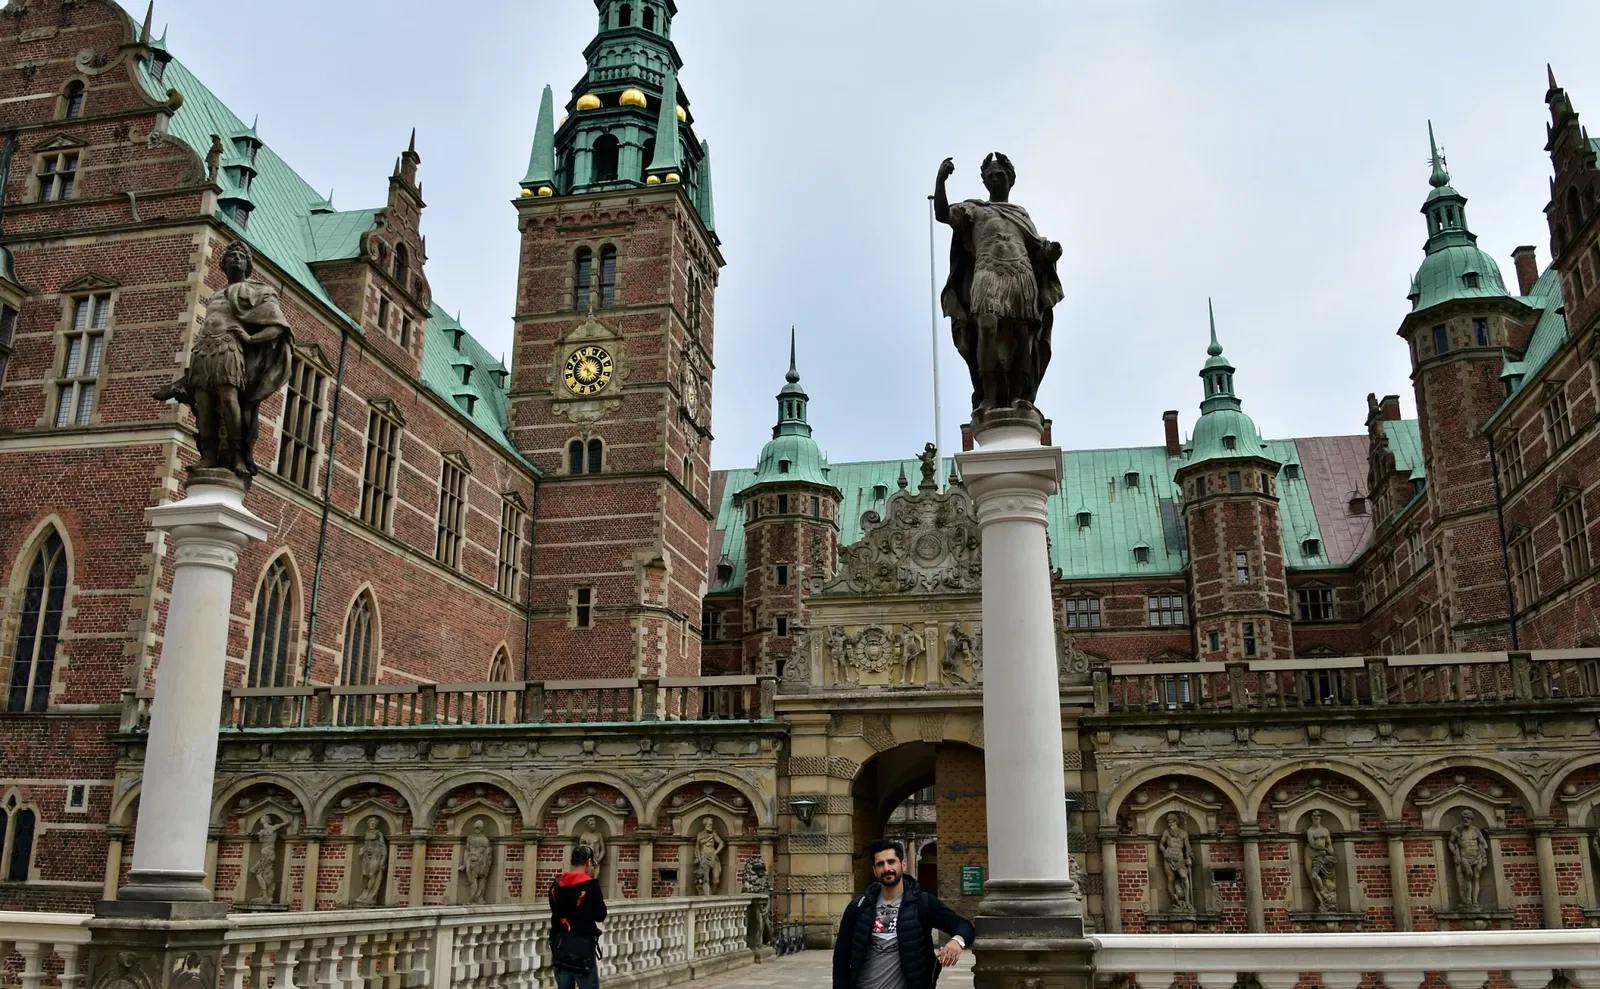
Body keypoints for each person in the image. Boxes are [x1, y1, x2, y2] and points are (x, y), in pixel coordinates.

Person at [833, 839, 974, 989]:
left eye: (891, 862)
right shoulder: (859, 906)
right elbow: (841, 958)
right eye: (880, 864)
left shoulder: (923, 903)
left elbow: (964, 926)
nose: (886, 868)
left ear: (903, 864)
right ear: (874, 870)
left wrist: (957, 941)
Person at [549, 845, 607, 989]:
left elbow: (555, 909)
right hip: (581, 947)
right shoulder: (590, 886)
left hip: (559, 945)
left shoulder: (557, 884)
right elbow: (600, 915)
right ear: (588, 862)